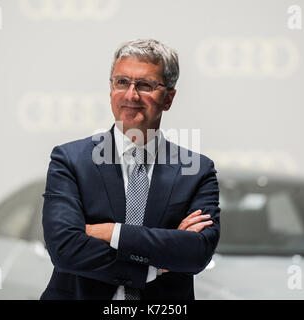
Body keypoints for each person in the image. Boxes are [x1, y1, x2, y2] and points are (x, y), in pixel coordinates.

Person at [40, 39, 220, 300]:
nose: (131, 95)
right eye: (121, 82)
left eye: (145, 85)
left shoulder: (196, 170)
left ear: (168, 98)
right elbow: (64, 248)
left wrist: (110, 232)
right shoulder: (70, 160)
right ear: (111, 88)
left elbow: (196, 253)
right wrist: (153, 268)